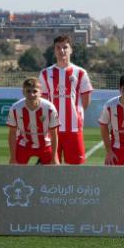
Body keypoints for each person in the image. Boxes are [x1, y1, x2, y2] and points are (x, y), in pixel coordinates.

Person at [39, 35, 93, 164]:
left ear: (71, 50)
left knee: (75, 167)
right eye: (58, 47)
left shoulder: (80, 73)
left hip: (73, 128)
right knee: (50, 166)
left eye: (65, 47)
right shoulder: (45, 74)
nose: (62, 50)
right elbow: (43, 101)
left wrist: (74, 113)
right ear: (54, 50)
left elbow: (86, 101)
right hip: (51, 128)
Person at [7, 77, 60, 165]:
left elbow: (54, 134)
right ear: (23, 92)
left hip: (45, 145)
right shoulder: (15, 108)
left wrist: (54, 157)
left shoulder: (49, 108)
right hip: (24, 144)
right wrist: (12, 157)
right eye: (28, 91)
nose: (31, 94)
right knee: (14, 172)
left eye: (35, 91)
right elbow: (12, 133)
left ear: (40, 93)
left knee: (53, 172)